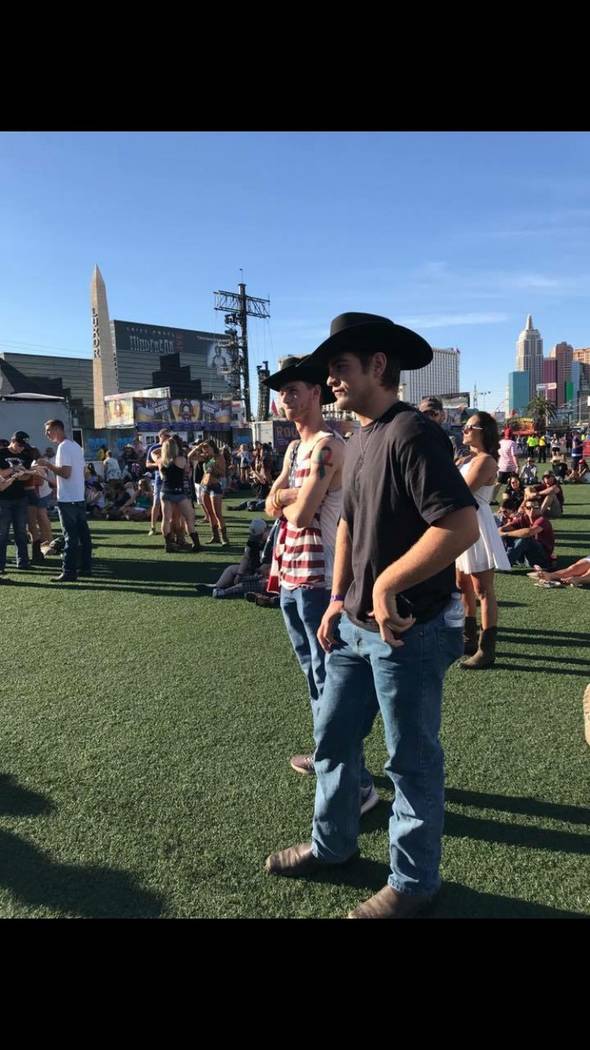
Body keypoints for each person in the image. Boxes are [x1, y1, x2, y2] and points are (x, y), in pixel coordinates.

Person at [265, 312, 478, 920]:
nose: (330, 379)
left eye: (339, 367)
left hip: (407, 629)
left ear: (378, 365)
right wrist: (339, 597)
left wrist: (386, 583)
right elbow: (349, 526)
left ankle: (413, 884)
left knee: (410, 761)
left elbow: (460, 524)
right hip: (355, 626)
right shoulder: (357, 438)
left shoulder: (412, 432)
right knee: (332, 741)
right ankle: (332, 846)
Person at [262, 354, 377, 814]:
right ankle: (329, 756)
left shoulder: (328, 445)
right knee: (315, 676)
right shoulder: (295, 449)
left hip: (320, 578)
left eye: (294, 390)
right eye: (282, 393)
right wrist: (288, 494)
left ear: (316, 393)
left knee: (332, 682)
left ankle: (358, 783)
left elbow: (300, 514)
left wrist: (285, 496)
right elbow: (271, 504)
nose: (286, 399)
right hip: (290, 573)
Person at [455, 413, 511, 670]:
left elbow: (461, 492)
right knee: (462, 583)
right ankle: (468, 637)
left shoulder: (486, 461)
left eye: (470, 427)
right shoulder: (468, 459)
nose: (464, 430)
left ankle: (486, 649)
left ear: (483, 431)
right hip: (463, 522)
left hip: (476, 524)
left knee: (483, 589)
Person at [36, 420, 91, 582]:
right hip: (78, 497)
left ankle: (69, 571)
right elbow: (83, 473)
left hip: (68, 500)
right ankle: (86, 567)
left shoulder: (63, 447)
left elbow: (66, 473)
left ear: (57, 429)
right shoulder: (75, 446)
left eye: (48, 430)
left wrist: (47, 465)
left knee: (70, 537)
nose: (46, 434)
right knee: (84, 537)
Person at [0, 431, 36, 577]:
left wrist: (21, 475)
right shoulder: (1, 453)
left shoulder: (25, 456)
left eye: (23, 445)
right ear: (13, 441)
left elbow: (26, 476)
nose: (21, 448)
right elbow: (1, 474)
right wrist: (14, 470)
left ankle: (23, 562)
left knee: (21, 531)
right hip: (3, 498)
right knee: (2, 533)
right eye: (19, 445)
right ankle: (1, 565)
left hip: (20, 498)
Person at [159, 439, 200, 553]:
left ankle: (168, 544)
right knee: (189, 518)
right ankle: (196, 543)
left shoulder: (161, 461)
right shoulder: (180, 459)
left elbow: (162, 476)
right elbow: (187, 473)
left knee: (166, 519)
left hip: (165, 491)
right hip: (179, 491)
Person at [499, 489, 556, 571]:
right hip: (527, 558)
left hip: (542, 559)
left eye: (535, 507)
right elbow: (502, 529)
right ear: (525, 509)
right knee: (511, 536)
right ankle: (499, 558)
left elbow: (529, 532)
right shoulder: (523, 518)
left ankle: (504, 564)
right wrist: (503, 532)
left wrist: (506, 534)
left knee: (526, 538)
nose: (532, 510)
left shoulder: (542, 520)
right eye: (529, 508)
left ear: (539, 508)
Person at [200, 440, 229, 545]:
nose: (205, 450)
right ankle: (215, 536)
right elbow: (189, 456)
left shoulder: (219, 457)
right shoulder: (206, 457)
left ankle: (224, 538)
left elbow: (223, 473)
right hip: (204, 486)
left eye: (207, 447)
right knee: (210, 513)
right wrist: (198, 447)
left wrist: (214, 469)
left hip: (215, 486)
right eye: (204, 448)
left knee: (217, 513)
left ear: (212, 447)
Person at [146, 428, 171, 536]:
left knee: (171, 502)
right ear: (160, 436)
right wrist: (159, 464)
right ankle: (153, 527)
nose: (168, 437)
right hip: (158, 476)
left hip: (170, 475)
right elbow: (147, 464)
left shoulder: (171, 447)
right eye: (166, 435)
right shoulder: (153, 448)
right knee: (156, 502)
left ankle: (171, 526)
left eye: (169, 435)